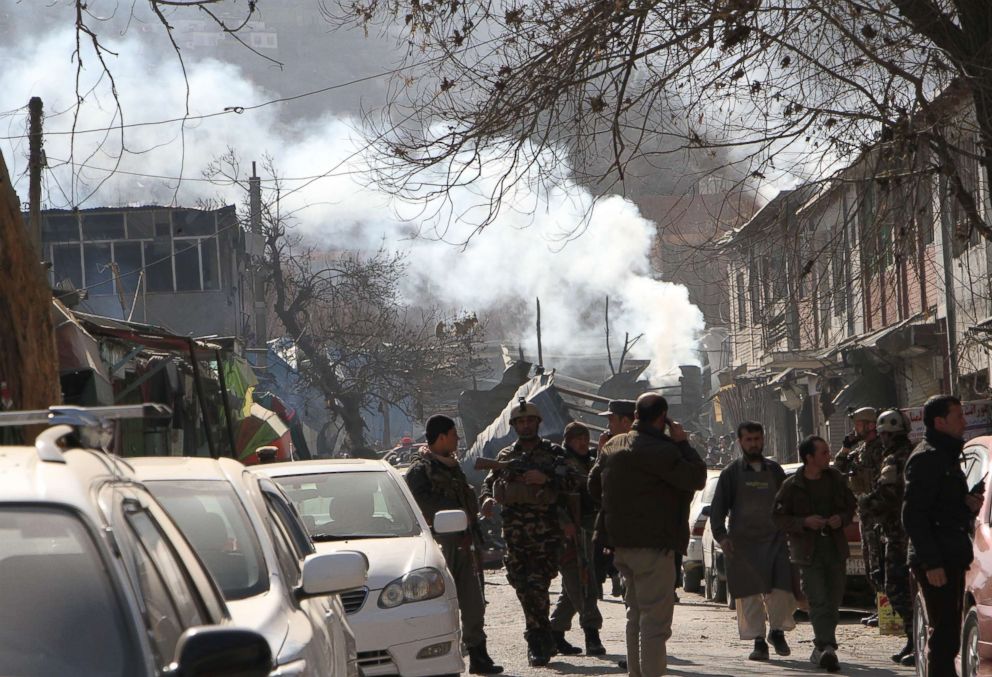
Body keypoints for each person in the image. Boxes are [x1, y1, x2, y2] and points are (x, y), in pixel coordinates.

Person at [588, 394, 707, 677]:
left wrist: (598, 456)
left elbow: (593, 488)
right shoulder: (664, 450)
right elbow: (697, 478)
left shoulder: (613, 446)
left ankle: (636, 674)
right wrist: (683, 443)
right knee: (654, 624)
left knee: (636, 616)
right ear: (661, 417)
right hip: (654, 546)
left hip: (621, 546)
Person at [480, 399, 576, 667]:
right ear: (514, 426)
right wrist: (487, 499)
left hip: (546, 533)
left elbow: (574, 481)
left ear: (537, 423)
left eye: (529, 421)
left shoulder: (554, 454)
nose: (525, 425)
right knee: (523, 586)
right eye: (520, 422)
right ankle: (543, 633)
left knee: (537, 585)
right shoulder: (505, 456)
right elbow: (489, 483)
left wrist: (546, 479)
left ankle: (536, 641)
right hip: (514, 533)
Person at [404, 415, 503, 674]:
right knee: (440, 605)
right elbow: (422, 506)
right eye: (453, 434)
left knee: (473, 602)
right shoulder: (420, 471)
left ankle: (478, 655)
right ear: (441, 437)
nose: (458, 439)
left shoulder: (451, 466)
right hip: (440, 547)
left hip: (464, 543)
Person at [903, 395, 983, 677]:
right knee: (945, 636)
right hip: (937, 559)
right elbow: (913, 516)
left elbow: (943, 507)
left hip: (951, 553)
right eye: (958, 416)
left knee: (949, 633)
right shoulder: (927, 458)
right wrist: (931, 562)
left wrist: (966, 503)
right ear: (940, 422)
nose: (964, 422)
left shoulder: (946, 455)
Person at [709, 421, 795, 661]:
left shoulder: (775, 471)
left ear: (763, 439)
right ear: (740, 442)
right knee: (750, 595)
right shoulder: (730, 473)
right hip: (743, 544)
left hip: (775, 541)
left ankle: (777, 631)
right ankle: (759, 641)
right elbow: (718, 510)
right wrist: (722, 537)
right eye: (749, 440)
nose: (754, 444)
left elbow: (787, 505)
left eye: (757, 439)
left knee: (780, 590)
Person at [773, 436, 857, 673]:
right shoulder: (792, 485)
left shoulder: (836, 480)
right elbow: (778, 517)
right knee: (818, 599)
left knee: (833, 600)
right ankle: (827, 646)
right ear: (809, 458)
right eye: (823, 453)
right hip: (807, 553)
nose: (828, 456)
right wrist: (804, 522)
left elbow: (850, 507)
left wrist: (840, 519)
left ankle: (821, 648)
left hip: (835, 549)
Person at [860, 409, 916, 666]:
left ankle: (916, 639)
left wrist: (864, 504)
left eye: (883, 435)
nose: (881, 439)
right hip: (909, 533)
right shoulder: (914, 453)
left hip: (899, 534)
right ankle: (914, 639)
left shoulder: (894, 459)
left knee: (897, 589)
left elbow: (886, 495)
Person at [550, 422, 606, 656]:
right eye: (577, 438)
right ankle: (592, 634)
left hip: (590, 531)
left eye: (585, 437)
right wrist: (565, 523)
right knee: (584, 585)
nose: (583, 442)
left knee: (574, 587)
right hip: (569, 534)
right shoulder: (560, 464)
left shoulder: (592, 459)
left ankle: (554, 632)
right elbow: (552, 498)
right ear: (568, 441)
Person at [833, 406, 885, 626]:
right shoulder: (861, 449)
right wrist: (845, 448)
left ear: (871, 425)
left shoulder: (882, 449)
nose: (856, 428)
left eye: (859, 424)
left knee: (881, 563)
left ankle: (888, 611)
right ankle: (879, 608)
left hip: (881, 516)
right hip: (865, 515)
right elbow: (839, 468)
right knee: (871, 563)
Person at [596, 399, 635, 598]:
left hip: (633, 534)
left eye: (612, 420)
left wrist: (601, 454)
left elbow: (595, 486)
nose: (608, 426)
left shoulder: (620, 451)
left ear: (626, 422)